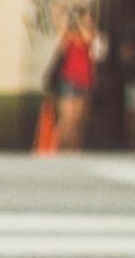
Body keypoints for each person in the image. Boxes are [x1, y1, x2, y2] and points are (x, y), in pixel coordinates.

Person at [38, 11, 97, 156]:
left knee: (78, 121)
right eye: (84, 19)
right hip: (69, 80)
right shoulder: (69, 35)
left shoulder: (93, 35)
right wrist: (64, 10)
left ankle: (74, 150)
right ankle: (60, 149)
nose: (87, 22)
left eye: (89, 19)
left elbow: (90, 39)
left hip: (85, 81)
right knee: (67, 120)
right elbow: (58, 21)